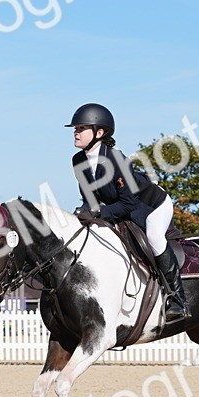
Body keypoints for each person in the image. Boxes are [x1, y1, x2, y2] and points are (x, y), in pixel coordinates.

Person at [67, 102, 188, 322]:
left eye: (81, 128)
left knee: (154, 237)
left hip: (151, 206)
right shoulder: (78, 161)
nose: (76, 132)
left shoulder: (118, 160)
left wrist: (98, 212)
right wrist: (82, 213)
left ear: (99, 133)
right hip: (121, 208)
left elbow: (129, 205)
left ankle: (178, 299)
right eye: (76, 128)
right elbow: (89, 199)